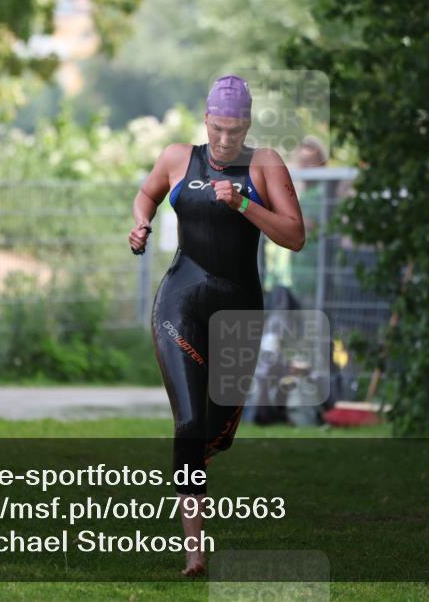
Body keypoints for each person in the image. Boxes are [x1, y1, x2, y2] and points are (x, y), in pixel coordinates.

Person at [128, 75, 305, 577]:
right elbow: (147, 195)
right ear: (206, 120)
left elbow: (295, 236)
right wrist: (141, 223)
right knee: (188, 424)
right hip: (180, 298)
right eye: (219, 128)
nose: (226, 139)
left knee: (218, 433)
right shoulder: (178, 157)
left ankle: (199, 454)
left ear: (248, 126)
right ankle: (195, 551)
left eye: (236, 130)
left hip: (239, 309)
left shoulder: (265, 164)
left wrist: (245, 204)